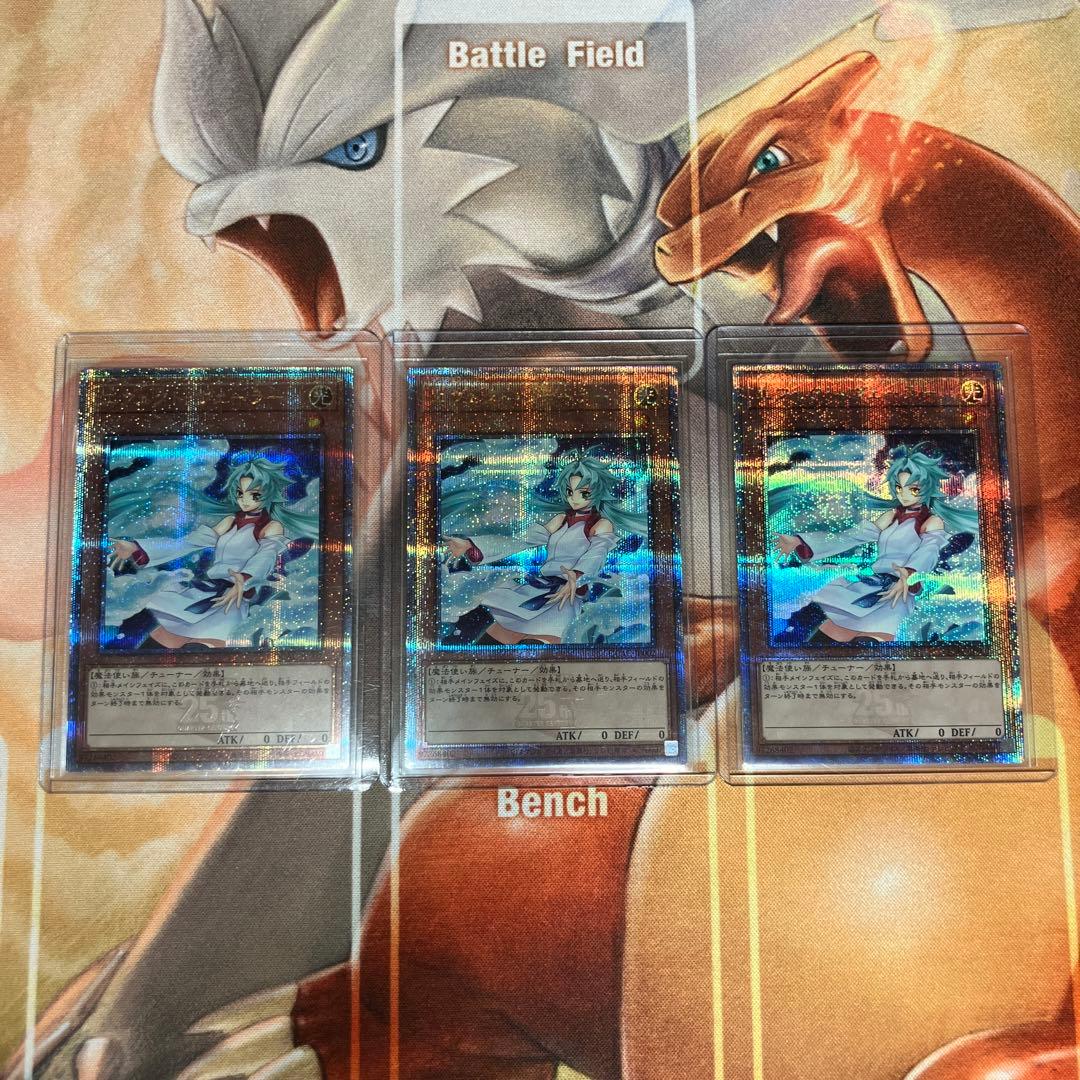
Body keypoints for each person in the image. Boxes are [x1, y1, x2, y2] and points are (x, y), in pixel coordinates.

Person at [775, 443, 978, 644]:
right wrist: (801, 541)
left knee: (867, 645)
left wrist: (909, 572)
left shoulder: (931, 521)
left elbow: (929, 551)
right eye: (899, 488)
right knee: (822, 637)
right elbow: (852, 536)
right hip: (870, 587)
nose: (903, 494)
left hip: (898, 592)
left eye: (913, 489)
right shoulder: (891, 516)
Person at [443, 447, 645, 645]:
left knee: (543, 644)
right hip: (540, 590)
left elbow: (596, 554)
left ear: (597, 492)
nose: (574, 499)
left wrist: (578, 574)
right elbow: (522, 541)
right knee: (498, 638)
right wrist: (472, 545)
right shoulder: (560, 519)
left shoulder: (601, 524)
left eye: (583, 493)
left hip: (566, 596)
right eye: (570, 492)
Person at [108, 456, 310, 650]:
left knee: (209, 643)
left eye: (254, 495)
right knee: (163, 638)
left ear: (268, 494)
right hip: (207, 592)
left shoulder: (271, 527)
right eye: (240, 493)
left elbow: (266, 556)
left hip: (233, 598)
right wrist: (137, 547)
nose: (245, 500)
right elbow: (188, 542)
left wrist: (245, 578)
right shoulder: (230, 521)